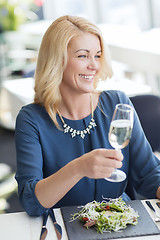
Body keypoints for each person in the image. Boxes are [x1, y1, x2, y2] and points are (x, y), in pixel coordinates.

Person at [15, 15, 160, 217]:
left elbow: (149, 173)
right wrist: (78, 168)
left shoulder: (117, 103)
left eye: (97, 55)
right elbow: (31, 201)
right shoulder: (31, 119)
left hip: (119, 222)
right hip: (65, 228)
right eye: (83, 56)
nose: (94, 66)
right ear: (57, 60)